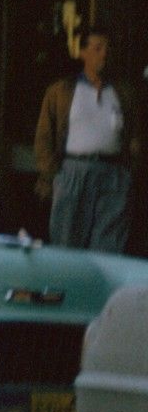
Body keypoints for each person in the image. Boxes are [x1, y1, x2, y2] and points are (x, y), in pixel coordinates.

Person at [35, 25, 138, 253]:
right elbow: (44, 138)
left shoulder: (123, 93)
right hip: (73, 172)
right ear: (83, 53)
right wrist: (53, 175)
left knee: (109, 245)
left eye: (107, 49)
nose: (105, 54)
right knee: (67, 244)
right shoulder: (61, 91)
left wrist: (129, 171)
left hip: (113, 175)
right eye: (98, 48)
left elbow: (134, 136)